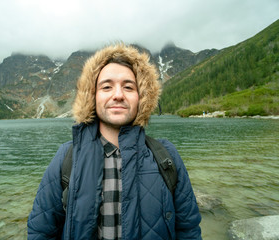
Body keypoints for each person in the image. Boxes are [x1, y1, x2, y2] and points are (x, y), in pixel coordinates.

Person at [27, 44, 202, 240]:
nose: (118, 95)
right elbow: (41, 231)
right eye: (106, 87)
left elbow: (189, 230)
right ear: (92, 97)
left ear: (142, 97)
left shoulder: (166, 156)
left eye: (128, 87)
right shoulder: (66, 158)